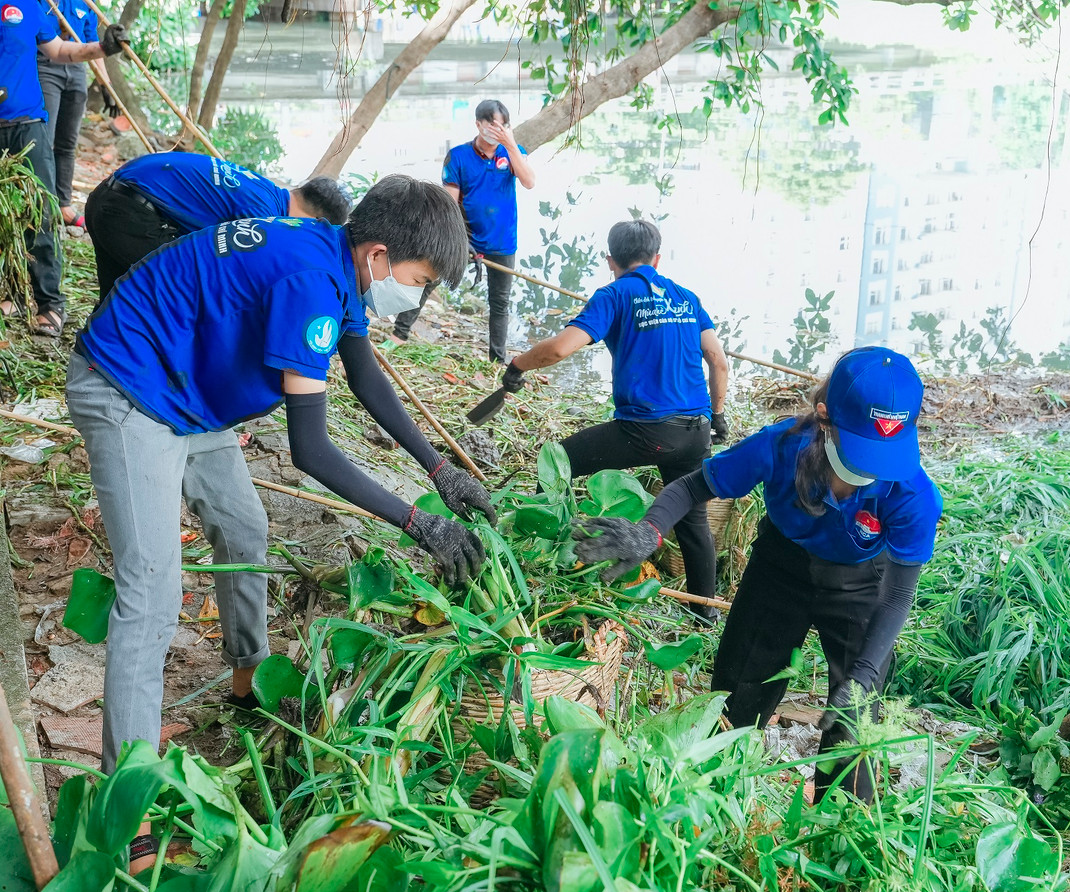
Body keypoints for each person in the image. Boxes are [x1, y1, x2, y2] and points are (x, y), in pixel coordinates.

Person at [66, 175, 493, 850]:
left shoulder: (336, 256)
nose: (418, 295)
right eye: (419, 279)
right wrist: (419, 523)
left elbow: (366, 377)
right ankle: (130, 804)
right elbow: (312, 449)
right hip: (129, 384)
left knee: (245, 528)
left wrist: (439, 470)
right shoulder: (311, 285)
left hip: (189, 389)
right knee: (151, 593)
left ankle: (245, 680)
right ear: (380, 257)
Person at [574, 347, 942, 802]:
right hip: (780, 570)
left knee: (853, 723)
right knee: (736, 698)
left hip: (862, 584)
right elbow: (693, 486)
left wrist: (864, 674)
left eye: (886, 454)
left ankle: (839, 829)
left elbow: (897, 596)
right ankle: (717, 799)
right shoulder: (781, 446)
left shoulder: (913, 494)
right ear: (824, 419)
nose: (874, 469)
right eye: (865, 450)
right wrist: (648, 532)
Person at [504, 219, 728, 622]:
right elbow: (718, 361)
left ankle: (542, 558)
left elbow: (560, 349)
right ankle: (705, 615)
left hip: (646, 430)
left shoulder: (614, 295)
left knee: (558, 462)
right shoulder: (686, 297)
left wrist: (518, 365)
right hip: (696, 429)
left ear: (610, 260)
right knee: (693, 519)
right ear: (658, 258)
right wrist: (720, 414)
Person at [0, 0, 127, 336]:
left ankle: (49, 303)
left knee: (39, 213)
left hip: (26, 125)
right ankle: (10, 292)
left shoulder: (26, 5)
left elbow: (58, 50)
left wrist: (102, 47)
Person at [85, 150, 350, 301]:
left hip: (108, 196)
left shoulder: (264, 190)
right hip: (128, 211)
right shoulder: (263, 215)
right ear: (316, 223)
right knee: (178, 295)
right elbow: (241, 276)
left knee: (117, 298)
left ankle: (95, 365)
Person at [394, 99, 535, 356]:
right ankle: (398, 335)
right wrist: (460, 239)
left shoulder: (512, 153)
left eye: (504, 126)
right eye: (492, 125)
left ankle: (497, 358)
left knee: (499, 302)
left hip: (502, 241)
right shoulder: (458, 156)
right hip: (464, 237)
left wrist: (511, 144)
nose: (497, 131)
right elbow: (449, 203)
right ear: (478, 124)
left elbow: (528, 181)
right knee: (427, 279)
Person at [37, 0, 115, 228]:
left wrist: (105, 84)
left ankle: (63, 204)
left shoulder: (84, 3)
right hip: (44, 65)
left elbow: (93, 43)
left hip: (77, 69)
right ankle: (42, 204)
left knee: (68, 142)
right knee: (44, 139)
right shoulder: (41, 2)